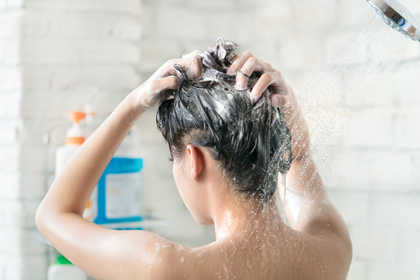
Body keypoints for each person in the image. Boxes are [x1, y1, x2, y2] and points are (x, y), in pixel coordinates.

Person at [36, 40, 352, 280]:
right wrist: (287, 114)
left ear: (193, 159)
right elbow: (299, 162)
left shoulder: (168, 268)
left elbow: (53, 215)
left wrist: (135, 102)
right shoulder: (329, 253)